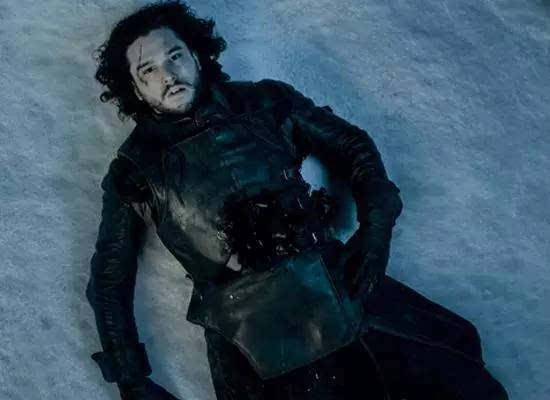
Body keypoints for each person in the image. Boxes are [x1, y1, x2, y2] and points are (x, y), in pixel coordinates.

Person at [85, 2, 509, 399]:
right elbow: (110, 277)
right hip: (249, 336)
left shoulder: (265, 102)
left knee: (457, 374)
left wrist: (375, 232)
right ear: (134, 88)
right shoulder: (133, 170)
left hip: (337, 288)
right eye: (148, 70)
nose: (167, 75)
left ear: (196, 55)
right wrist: (130, 377)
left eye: (175, 56)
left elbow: (354, 147)